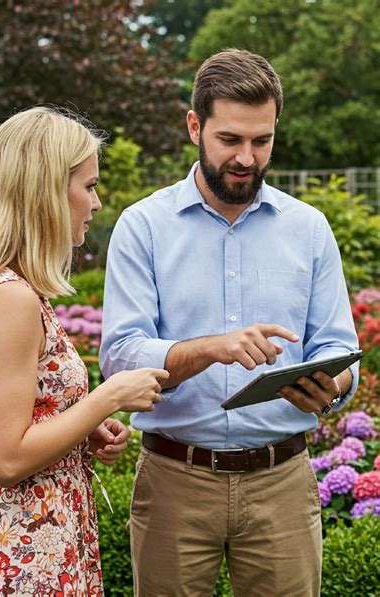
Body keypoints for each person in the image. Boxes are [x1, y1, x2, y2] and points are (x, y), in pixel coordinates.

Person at [100, 49, 359, 597]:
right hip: (174, 480)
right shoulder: (142, 226)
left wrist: (327, 387)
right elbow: (120, 354)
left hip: (282, 482)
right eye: (230, 140)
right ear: (195, 126)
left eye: (261, 141)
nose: (246, 157)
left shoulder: (309, 229)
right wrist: (212, 348)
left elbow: (339, 347)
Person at [0, 106, 168, 596]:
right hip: (19, 552)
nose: (97, 203)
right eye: (89, 185)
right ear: (46, 193)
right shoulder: (11, 300)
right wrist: (109, 396)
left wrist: (74, 424)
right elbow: (9, 458)